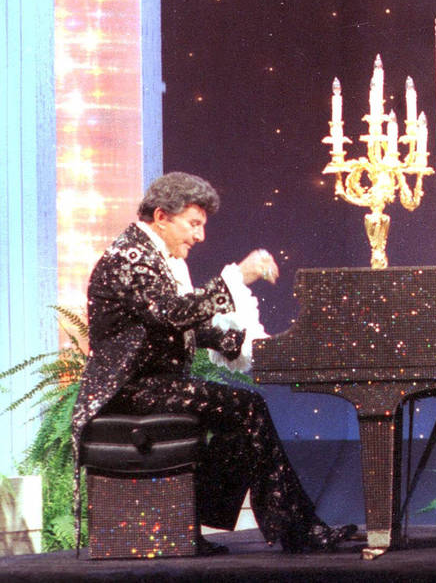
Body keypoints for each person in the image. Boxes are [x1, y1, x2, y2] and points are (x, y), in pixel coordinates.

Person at [71, 172, 355, 554]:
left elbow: (173, 327)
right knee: (247, 408)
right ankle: (293, 528)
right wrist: (237, 277)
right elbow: (172, 314)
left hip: (152, 386)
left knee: (244, 410)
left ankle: (199, 517)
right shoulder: (131, 256)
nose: (200, 236)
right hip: (127, 389)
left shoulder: (154, 255)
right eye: (194, 224)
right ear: (161, 217)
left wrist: (249, 343)